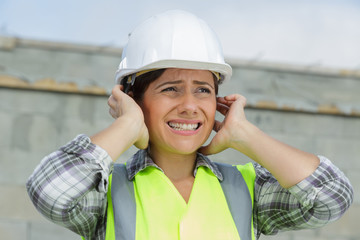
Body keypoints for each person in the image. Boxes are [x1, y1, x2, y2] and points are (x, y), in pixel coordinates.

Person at [26, 10, 353, 240]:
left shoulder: (247, 190)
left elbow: (332, 198)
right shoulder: (104, 191)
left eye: (203, 90)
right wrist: (127, 126)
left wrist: (244, 134)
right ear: (135, 99)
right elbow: (49, 191)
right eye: (170, 89)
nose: (189, 105)